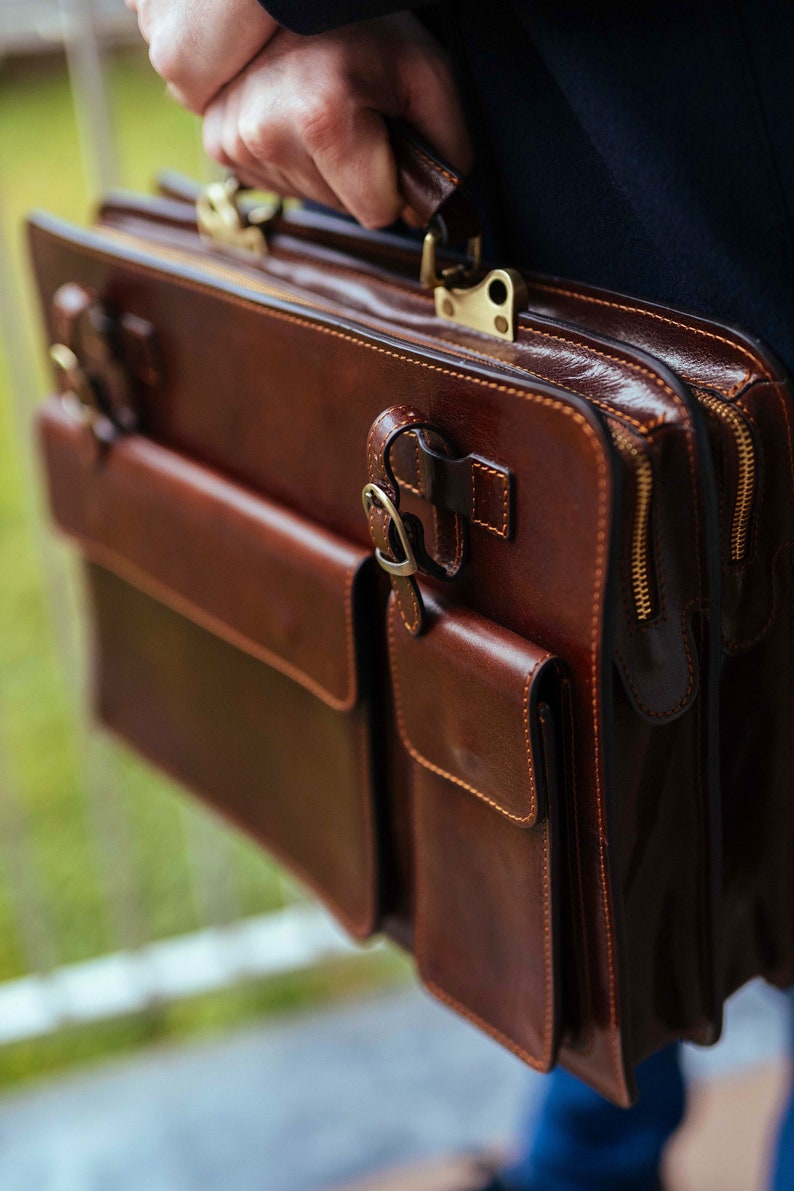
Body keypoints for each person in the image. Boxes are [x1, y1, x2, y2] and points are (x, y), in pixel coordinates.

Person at [125, 2, 794, 1186]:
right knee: (550, 771)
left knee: (636, 779)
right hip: (540, 172)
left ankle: (584, 1157)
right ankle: (586, 1152)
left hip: (665, 207)